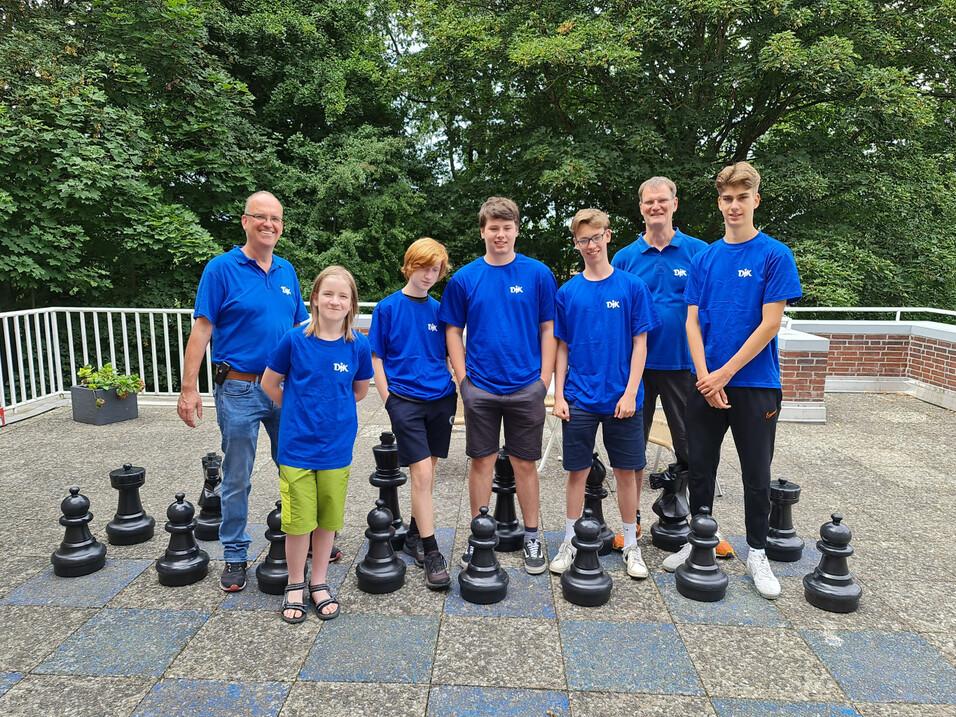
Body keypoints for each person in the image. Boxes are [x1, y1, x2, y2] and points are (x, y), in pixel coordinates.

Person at [662, 162, 802, 600]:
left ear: (755, 200)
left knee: (755, 473)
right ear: (719, 203)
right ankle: (699, 541)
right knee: (700, 467)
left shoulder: (774, 254)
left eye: (742, 197)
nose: (734, 205)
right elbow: (691, 323)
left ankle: (757, 551)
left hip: (755, 382)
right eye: (727, 198)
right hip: (706, 383)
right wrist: (705, 377)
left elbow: (769, 324)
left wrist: (725, 372)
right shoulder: (704, 258)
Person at [177, 191, 309, 592]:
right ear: (245, 221)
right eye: (261, 217)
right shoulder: (221, 270)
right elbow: (202, 331)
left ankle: (305, 540)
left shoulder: (287, 271)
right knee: (238, 476)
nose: (269, 224)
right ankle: (235, 554)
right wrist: (188, 389)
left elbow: (304, 330)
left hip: (284, 389)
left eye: (276, 219)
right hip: (238, 388)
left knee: (297, 469)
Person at [609, 177, 734, 557]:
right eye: (649, 202)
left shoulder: (700, 252)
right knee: (630, 453)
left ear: (675, 205)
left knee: (695, 449)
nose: (656, 207)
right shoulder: (625, 258)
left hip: (685, 367)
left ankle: (704, 527)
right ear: (641, 207)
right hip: (637, 370)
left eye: (662, 201)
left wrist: (711, 365)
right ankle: (630, 527)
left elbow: (712, 309)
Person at [438, 196, 557, 575]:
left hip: (526, 386)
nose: (500, 234)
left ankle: (533, 536)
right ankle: (479, 536)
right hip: (482, 387)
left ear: (517, 230)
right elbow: (452, 331)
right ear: (483, 231)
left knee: (526, 463)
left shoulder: (538, 274)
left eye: (507, 228)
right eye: (494, 228)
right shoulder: (465, 279)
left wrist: (544, 381)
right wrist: (463, 381)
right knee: (481, 462)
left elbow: (549, 329)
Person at [549, 209, 659, 578]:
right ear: (576, 243)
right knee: (576, 473)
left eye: (596, 237)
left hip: (622, 400)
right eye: (583, 240)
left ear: (608, 236)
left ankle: (631, 544)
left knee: (625, 473)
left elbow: (640, 344)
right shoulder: (568, 292)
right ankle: (569, 540)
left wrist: (630, 393)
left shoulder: (631, 287)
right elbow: (561, 347)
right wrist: (559, 394)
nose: (591, 245)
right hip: (579, 397)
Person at [261, 266, 373, 622]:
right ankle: (295, 583)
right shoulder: (294, 341)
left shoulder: (358, 345)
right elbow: (269, 383)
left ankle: (319, 582)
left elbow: (359, 390)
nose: (335, 301)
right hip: (296, 449)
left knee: (327, 521)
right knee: (297, 522)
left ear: (352, 303)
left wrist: (330, 415)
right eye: (328, 294)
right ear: (314, 299)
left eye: (343, 296)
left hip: (336, 449)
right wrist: (295, 410)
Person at [368, 238, 457, 589]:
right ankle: (432, 552)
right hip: (405, 399)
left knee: (428, 474)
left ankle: (414, 537)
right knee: (420, 472)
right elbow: (377, 357)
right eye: (423, 267)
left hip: (440, 398)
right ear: (409, 265)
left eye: (435, 269)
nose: (428, 275)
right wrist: (389, 398)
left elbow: (451, 351)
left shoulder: (440, 310)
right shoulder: (388, 308)